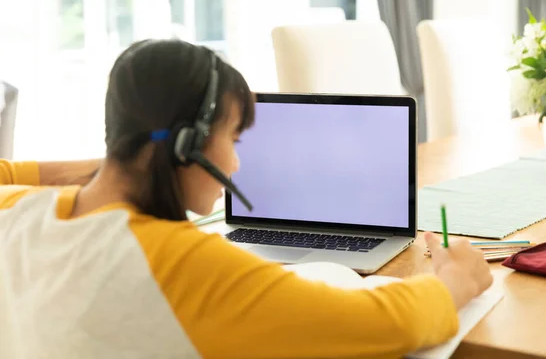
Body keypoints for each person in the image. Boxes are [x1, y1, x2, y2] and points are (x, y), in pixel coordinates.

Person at [0, 39, 492, 358]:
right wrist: (453, 281)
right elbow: (381, 323)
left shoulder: (16, 212)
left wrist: (118, 164)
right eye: (234, 141)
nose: (236, 166)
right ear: (188, 145)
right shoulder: (181, 264)